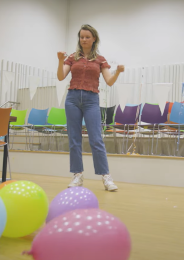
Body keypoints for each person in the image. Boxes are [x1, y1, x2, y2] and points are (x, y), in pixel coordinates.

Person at [57, 24, 124, 192]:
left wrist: (117, 72)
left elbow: (109, 81)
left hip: (91, 100)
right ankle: (77, 175)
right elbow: (60, 76)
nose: (84, 39)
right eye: (81, 37)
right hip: (72, 99)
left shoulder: (100, 60)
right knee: (74, 139)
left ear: (94, 39)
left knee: (96, 139)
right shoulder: (72, 57)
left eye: (87, 37)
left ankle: (106, 177)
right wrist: (60, 61)